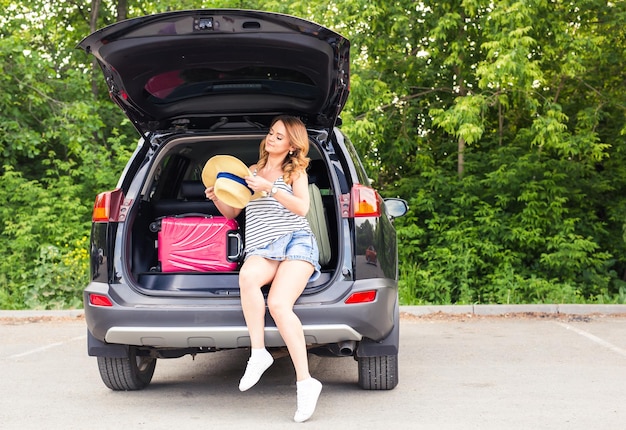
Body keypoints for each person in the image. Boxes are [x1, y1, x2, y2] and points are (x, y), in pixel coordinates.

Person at [205, 115, 322, 423]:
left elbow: (302, 208)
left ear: (292, 145)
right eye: (271, 133)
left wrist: (270, 188)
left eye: (280, 136)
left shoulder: (295, 171)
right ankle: (259, 352)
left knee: (279, 305)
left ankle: (306, 383)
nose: (272, 139)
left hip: (296, 242)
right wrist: (218, 197)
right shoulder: (251, 172)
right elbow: (234, 211)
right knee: (247, 277)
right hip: (262, 247)